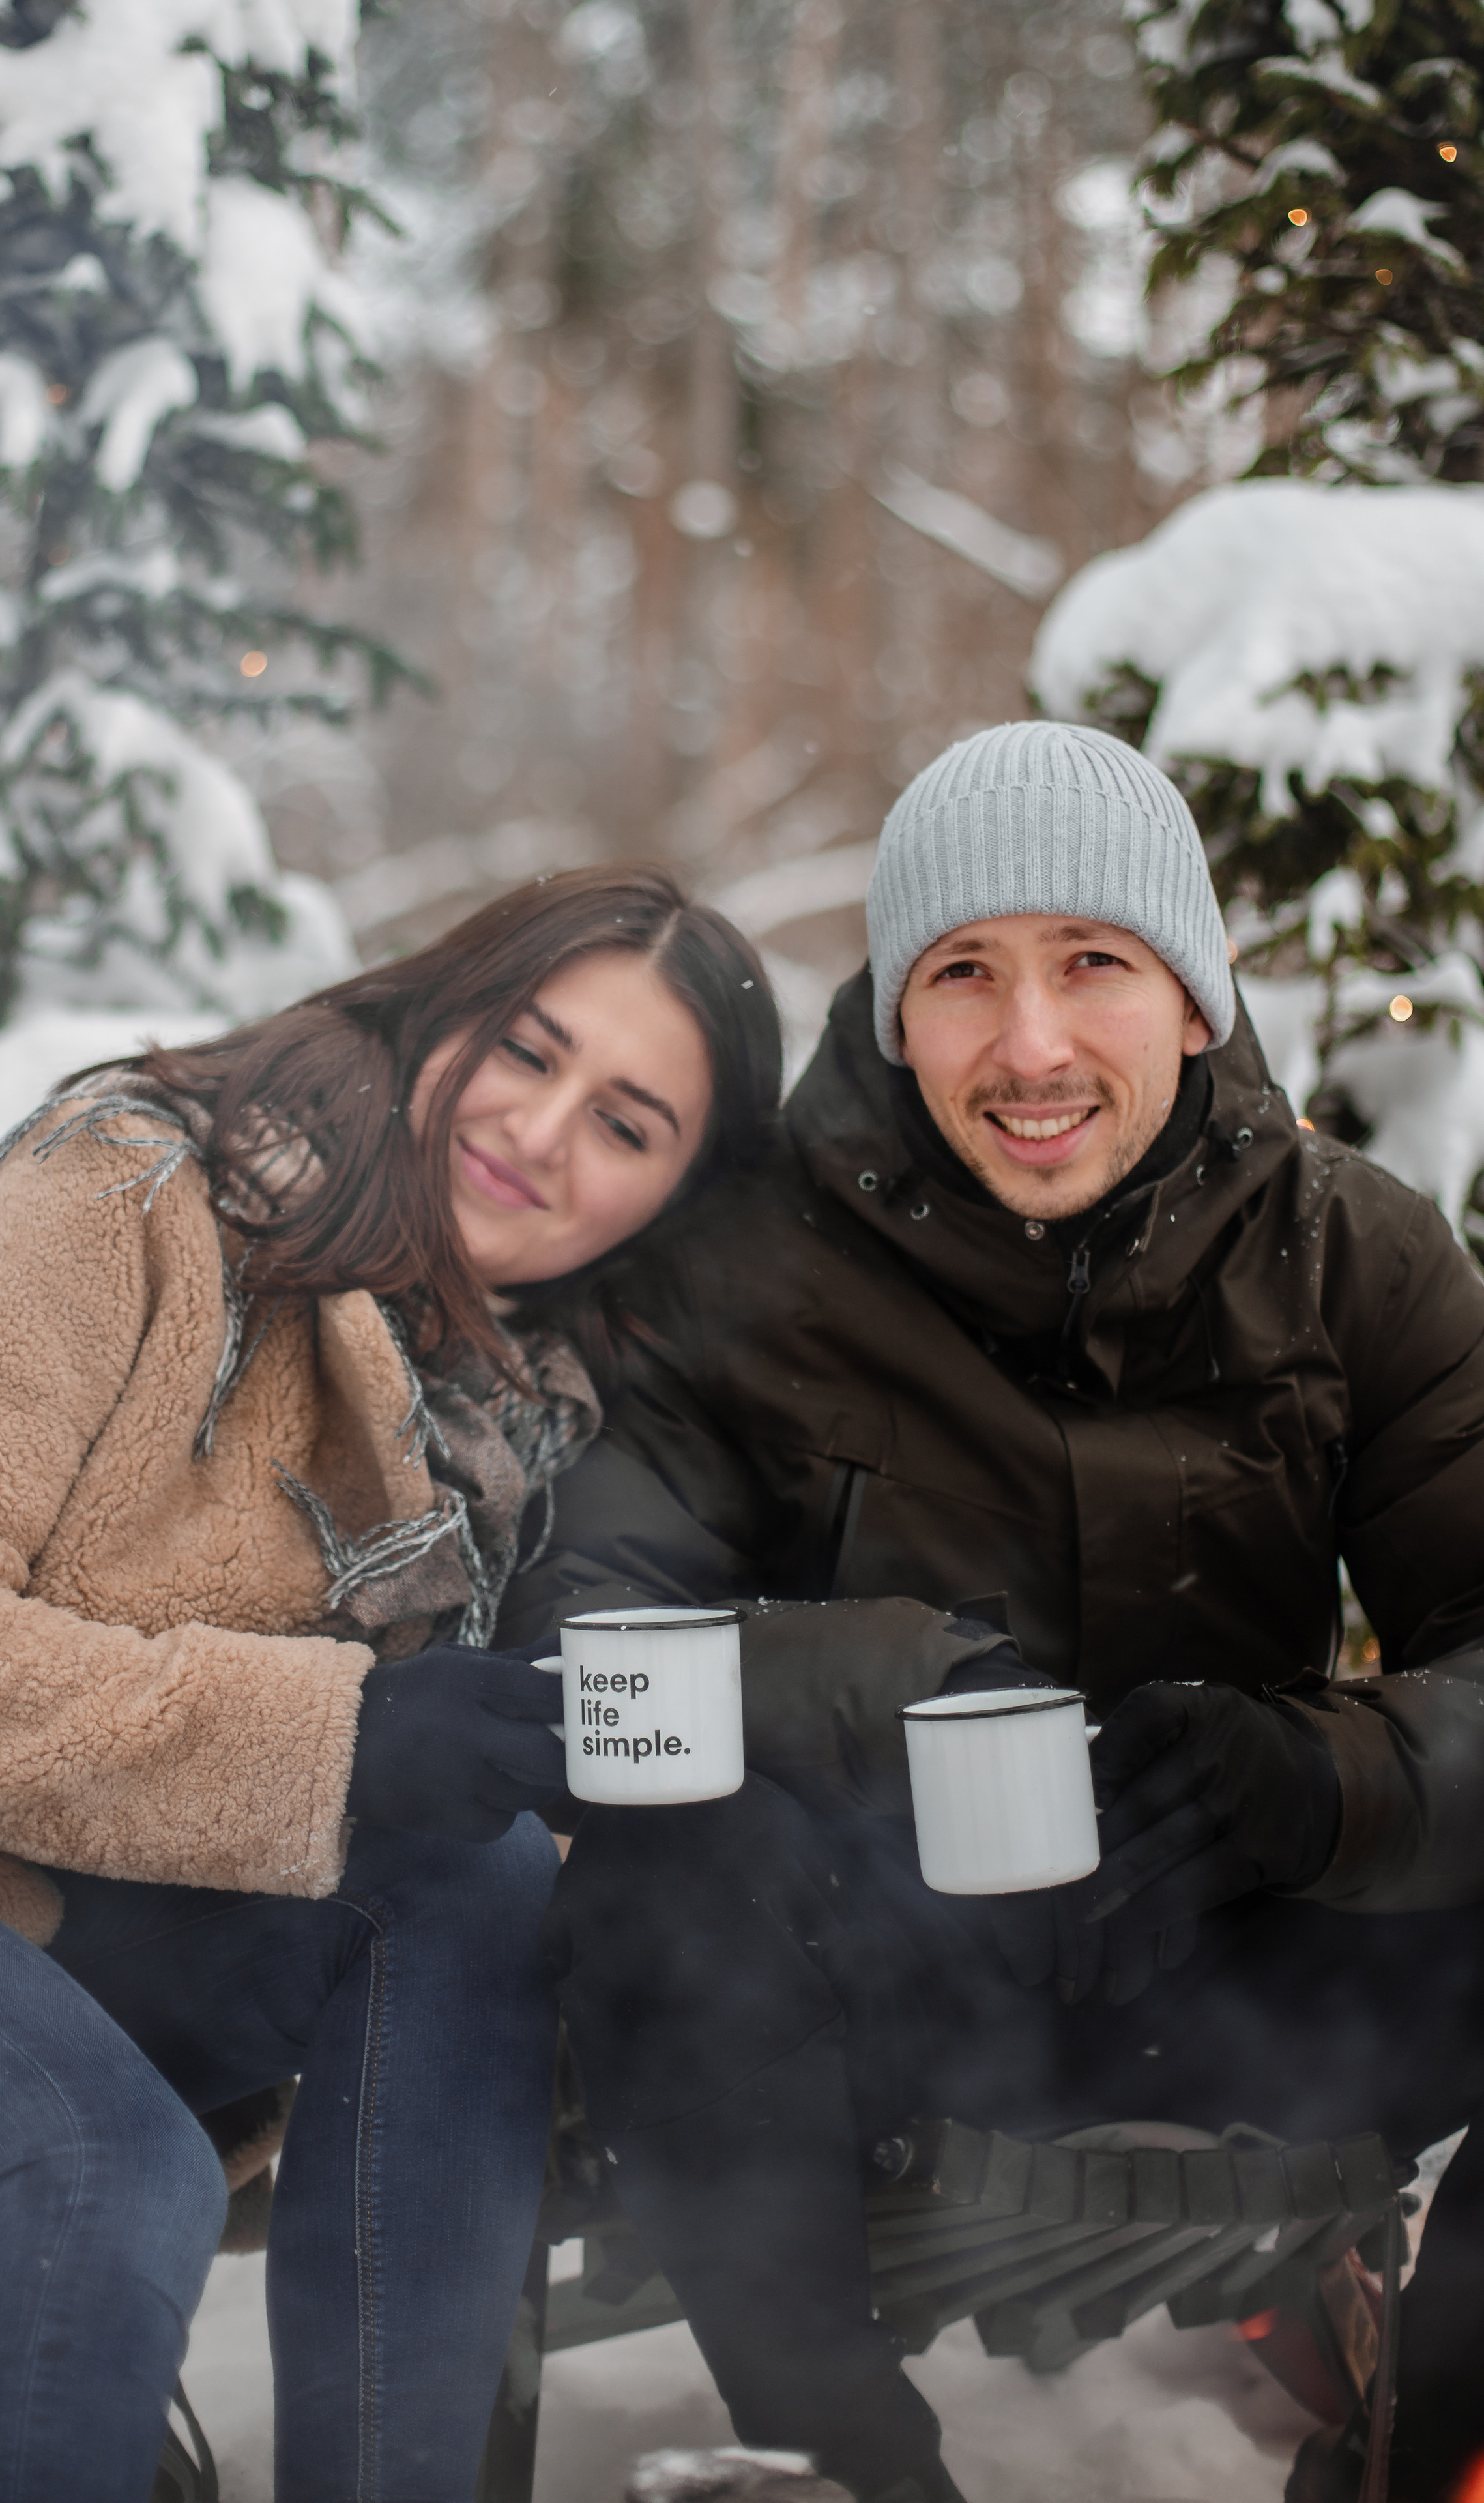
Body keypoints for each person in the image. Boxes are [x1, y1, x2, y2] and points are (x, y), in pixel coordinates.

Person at [502, 725, 1484, 2503]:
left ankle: (1428, 2453)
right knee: (669, 1873)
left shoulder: (1353, 1253)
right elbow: (575, 1648)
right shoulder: (743, 1268)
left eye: (1092, 961)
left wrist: (1321, 1778)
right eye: (963, 971)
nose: (1029, 1047)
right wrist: (874, 1688)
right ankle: (852, 2473)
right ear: (897, 1007)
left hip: (1252, 1959)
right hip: (880, 1994)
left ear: (1190, 992)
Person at [0, 864, 782, 2503]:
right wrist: (333, 1740)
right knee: (98, 2171)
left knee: (466, 1877)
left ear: (670, 1199)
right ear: (441, 1011)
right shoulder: (132, 1187)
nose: (542, 1133)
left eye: (626, 1126)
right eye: (527, 1049)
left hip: (40, 1904)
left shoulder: (514, 1407)